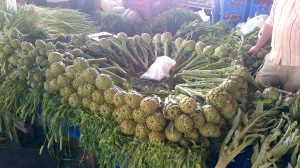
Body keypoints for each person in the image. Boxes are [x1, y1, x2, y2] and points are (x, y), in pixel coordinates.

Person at [248, 0, 300, 93]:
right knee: (257, 89)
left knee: (290, 100)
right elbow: (270, 23)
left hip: (296, 67)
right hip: (274, 60)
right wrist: (257, 46)